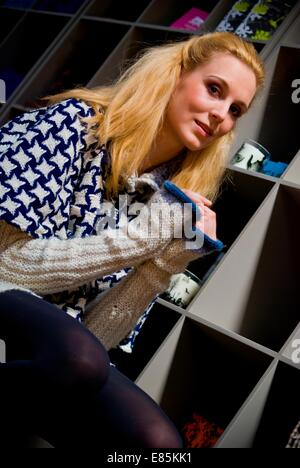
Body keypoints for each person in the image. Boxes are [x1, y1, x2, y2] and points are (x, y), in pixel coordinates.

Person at [0, 31, 265, 448]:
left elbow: (96, 335)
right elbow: (8, 266)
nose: (221, 115)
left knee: (160, 445)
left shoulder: (167, 192)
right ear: (174, 75)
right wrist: (142, 240)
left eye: (235, 110)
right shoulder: (72, 123)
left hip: (59, 352)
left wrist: (164, 264)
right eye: (214, 89)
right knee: (77, 362)